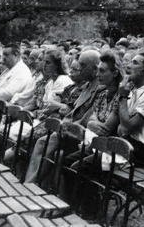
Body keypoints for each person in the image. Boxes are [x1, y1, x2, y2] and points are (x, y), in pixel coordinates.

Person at [25, 50, 101, 184]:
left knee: (43, 142)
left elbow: (85, 118)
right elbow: (71, 110)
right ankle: (32, 184)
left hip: (81, 135)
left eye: (83, 65)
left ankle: (29, 185)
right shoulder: (87, 85)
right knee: (45, 144)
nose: (79, 68)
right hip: (70, 129)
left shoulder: (99, 88)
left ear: (95, 68)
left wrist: (65, 125)